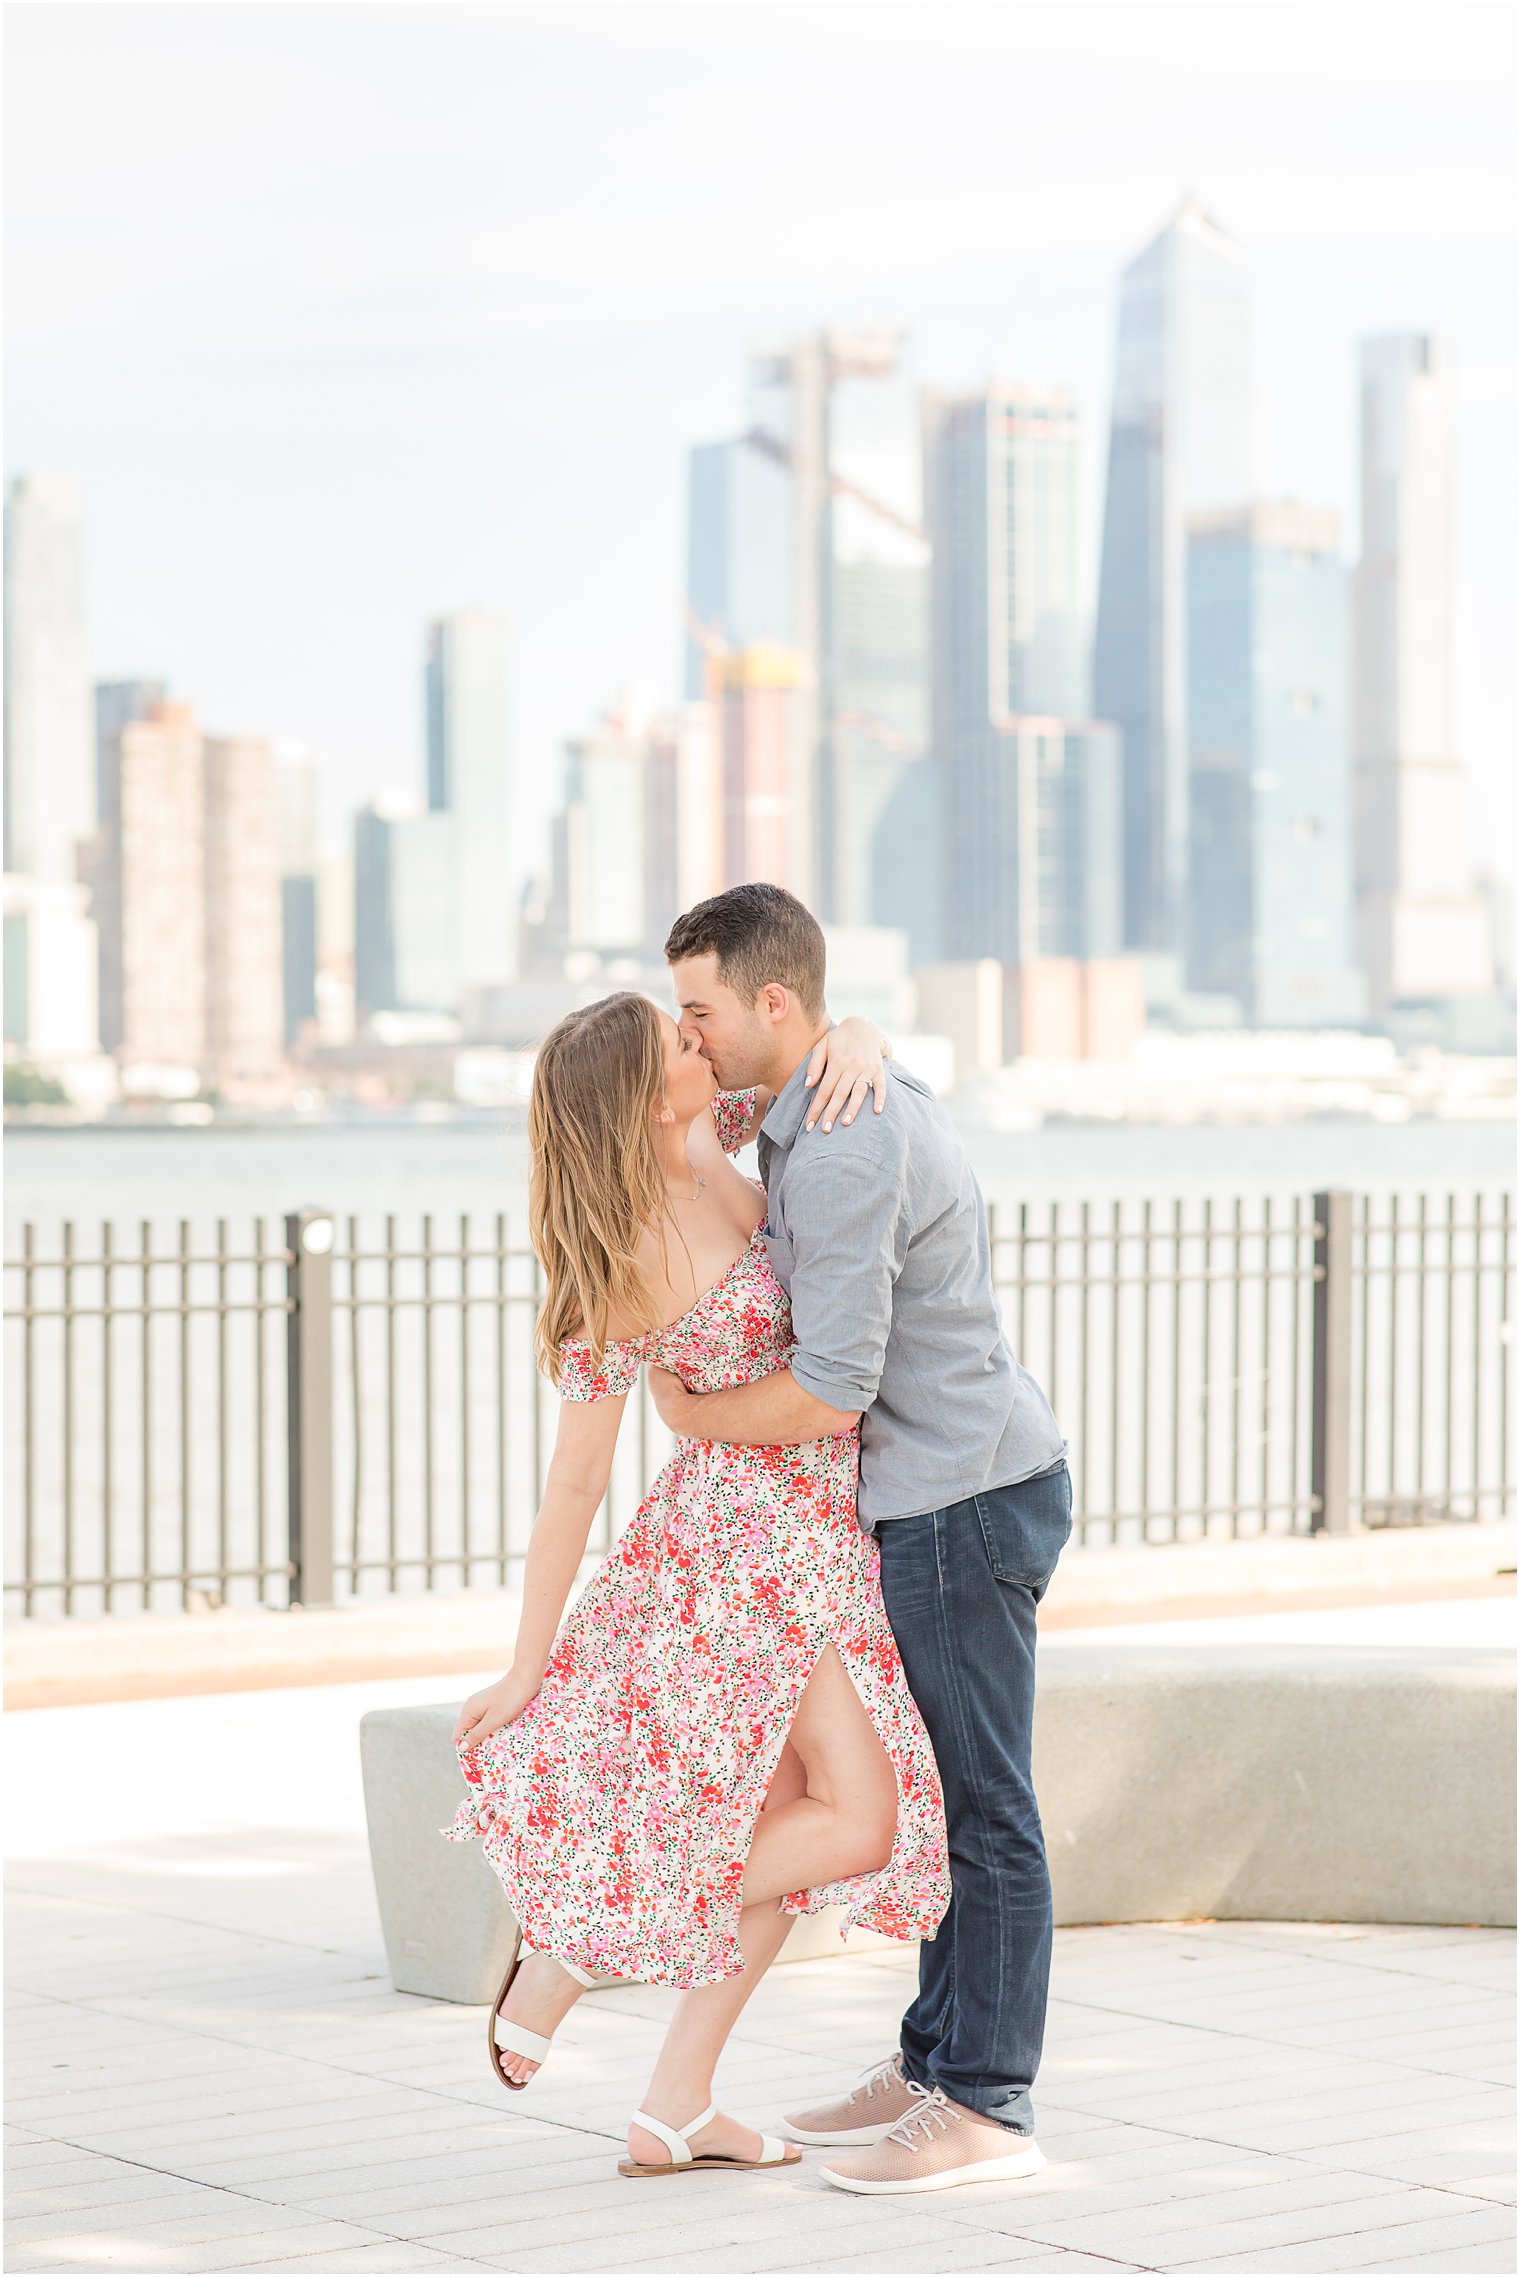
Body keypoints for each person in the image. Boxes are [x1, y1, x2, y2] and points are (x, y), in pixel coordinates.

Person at [443, 989, 950, 2182]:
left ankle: (675, 2106)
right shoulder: (615, 1268)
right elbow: (571, 1490)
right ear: (637, 1093)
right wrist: (528, 1664)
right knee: (858, 1818)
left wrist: (863, 1037)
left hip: (820, 1522)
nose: (696, 1039)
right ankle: (569, 1946)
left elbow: (819, 1046)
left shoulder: (719, 1127)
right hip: (746, 1558)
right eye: (674, 1040)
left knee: (784, 1825)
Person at [651, 882, 1070, 2197]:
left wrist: (690, 1407)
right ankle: (937, 2057)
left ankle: (985, 2106)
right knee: (946, 1790)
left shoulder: (835, 1144)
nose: (691, 1035)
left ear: (775, 1004)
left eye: (702, 1010)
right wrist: (865, 1028)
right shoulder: (802, 1097)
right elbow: (654, 1105)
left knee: (985, 1802)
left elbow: (831, 1386)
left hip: (956, 1496)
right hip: (950, 1483)